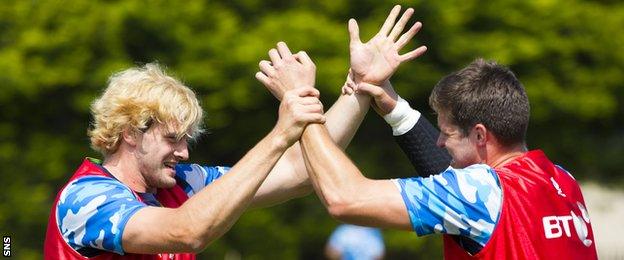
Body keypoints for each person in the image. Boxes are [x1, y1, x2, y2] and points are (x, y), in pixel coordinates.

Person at [260, 6, 598, 260]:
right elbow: (464, 185)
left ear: (480, 136)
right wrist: (395, 108)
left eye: (447, 134)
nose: (439, 141)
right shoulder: (561, 181)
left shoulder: (480, 189)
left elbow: (346, 199)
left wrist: (301, 106)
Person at [43, 58, 373, 259]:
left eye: (186, 139)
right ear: (129, 133)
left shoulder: (184, 181)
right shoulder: (88, 198)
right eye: (172, 139)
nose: (184, 152)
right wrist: (280, 134)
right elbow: (186, 232)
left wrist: (360, 86)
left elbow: (300, 172)